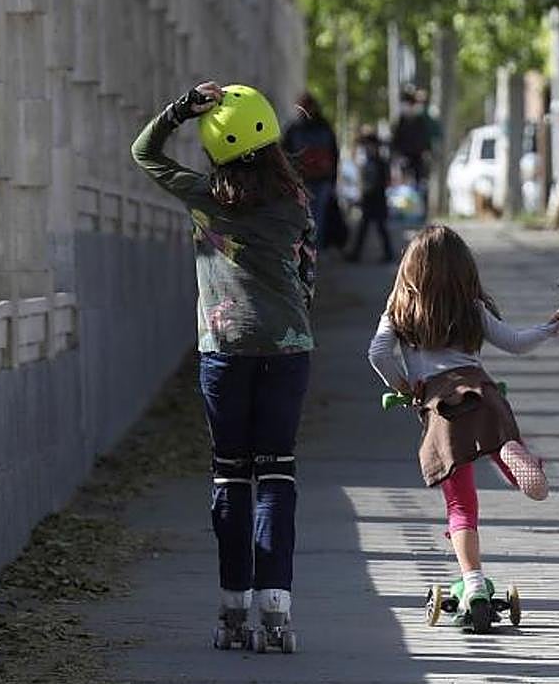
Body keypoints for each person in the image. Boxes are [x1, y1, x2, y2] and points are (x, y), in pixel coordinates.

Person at [131, 81, 315, 652]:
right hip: (287, 348)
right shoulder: (294, 203)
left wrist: (181, 109)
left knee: (231, 475)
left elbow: (144, 152)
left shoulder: (204, 194)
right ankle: (277, 606)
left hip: (224, 348)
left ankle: (234, 606)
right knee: (277, 475)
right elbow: (309, 275)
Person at [369, 225, 559, 632]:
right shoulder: (471, 306)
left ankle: (473, 583)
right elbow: (514, 342)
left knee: (461, 506)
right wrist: (551, 327)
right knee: (498, 440)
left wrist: (405, 387)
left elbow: (377, 354)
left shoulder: (401, 310)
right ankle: (519, 461)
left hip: (441, 409)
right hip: (482, 392)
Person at [282, 92, 340, 249]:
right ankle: (312, 250)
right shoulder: (321, 127)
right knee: (314, 219)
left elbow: (284, 155)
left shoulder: (295, 129)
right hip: (313, 181)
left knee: (306, 219)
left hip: (308, 181)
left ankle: (307, 250)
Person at [347, 127, 394, 263]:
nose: (366, 148)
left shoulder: (377, 162)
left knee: (377, 227)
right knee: (369, 227)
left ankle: (386, 253)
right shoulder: (374, 161)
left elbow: (380, 182)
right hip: (373, 199)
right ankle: (357, 253)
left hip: (375, 199)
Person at [391, 86, 430, 188]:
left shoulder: (419, 120)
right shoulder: (402, 120)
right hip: (405, 156)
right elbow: (396, 138)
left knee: (418, 182)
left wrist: (425, 151)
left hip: (417, 157)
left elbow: (424, 138)